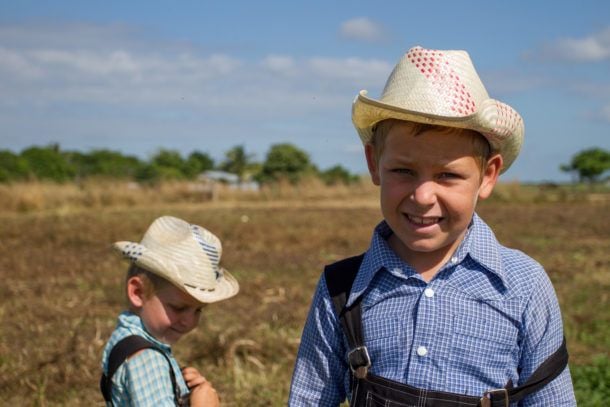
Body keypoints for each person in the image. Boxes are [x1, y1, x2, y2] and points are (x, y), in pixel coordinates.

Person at [289, 46, 576, 406]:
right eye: (403, 171)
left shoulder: (524, 286)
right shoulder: (341, 288)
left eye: (448, 175)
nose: (423, 196)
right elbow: (308, 399)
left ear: (488, 176)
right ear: (374, 164)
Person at [101, 215, 239, 406]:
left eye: (198, 310)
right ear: (137, 292)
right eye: (179, 308)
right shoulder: (148, 361)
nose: (189, 321)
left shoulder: (126, 338)